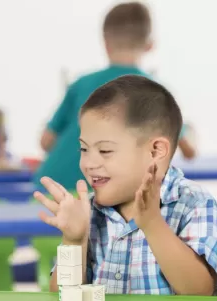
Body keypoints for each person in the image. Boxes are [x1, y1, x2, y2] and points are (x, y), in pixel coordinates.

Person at [34, 75, 217, 295]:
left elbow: (200, 292)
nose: (88, 163)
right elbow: (61, 298)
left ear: (156, 151)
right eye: (84, 149)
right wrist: (74, 241)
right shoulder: (88, 212)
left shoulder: (195, 205)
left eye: (105, 150)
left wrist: (153, 224)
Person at [35, 2, 196, 191]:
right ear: (150, 45)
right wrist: (190, 133)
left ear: (105, 42)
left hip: (50, 189)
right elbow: (189, 151)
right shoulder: (156, 93)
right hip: (101, 201)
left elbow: (45, 142)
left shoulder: (81, 84)